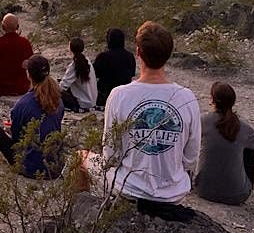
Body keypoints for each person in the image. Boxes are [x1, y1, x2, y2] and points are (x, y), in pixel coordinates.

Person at [82, 21, 201, 215]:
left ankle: (83, 211)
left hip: (130, 188)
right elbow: (191, 157)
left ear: (138, 52)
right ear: (168, 54)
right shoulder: (186, 98)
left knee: (81, 157)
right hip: (173, 193)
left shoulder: (120, 95)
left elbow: (111, 154)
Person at [0, 54, 65, 179]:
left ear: (29, 75)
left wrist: (10, 130)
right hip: (55, 166)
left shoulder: (23, 104)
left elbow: (17, 140)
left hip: (31, 168)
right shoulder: (58, 100)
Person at [194, 82, 254, 205]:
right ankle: (242, 182)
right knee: (250, 147)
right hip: (236, 195)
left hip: (204, 190)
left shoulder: (202, 120)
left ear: (212, 100)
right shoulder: (242, 127)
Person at [0, 14, 34, 96]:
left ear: (3, 27)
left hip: (0, 88)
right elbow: (32, 64)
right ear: (17, 27)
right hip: (21, 87)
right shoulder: (25, 43)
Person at [93, 27, 136, 108]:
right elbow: (132, 74)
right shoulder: (130, 56)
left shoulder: (103, 57)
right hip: (125, 96)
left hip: (105, 96)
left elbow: (94, 75)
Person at [60, 37, 97, 112]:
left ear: (70, 49)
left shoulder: (74, 65)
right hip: (92, 101)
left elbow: (63, 86)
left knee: (56, 93)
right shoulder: (87, 61)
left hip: (82, 103)